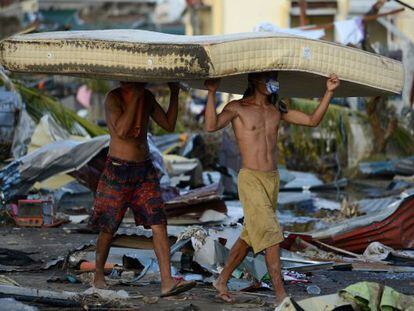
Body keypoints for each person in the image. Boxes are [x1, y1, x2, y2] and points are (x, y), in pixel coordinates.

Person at [204, 72, 340, 308]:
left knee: (250, 236)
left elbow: (312, 121)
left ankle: (221, 280)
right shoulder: (238, 107)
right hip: (251, 179)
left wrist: (329, 91)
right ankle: (280, 293)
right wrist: (211, 92)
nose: (272, 82)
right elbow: (210, 125)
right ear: (254, 80)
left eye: (274, 78)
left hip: (272, 180)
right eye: (268, 78)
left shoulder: (278, 109)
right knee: (271, 234)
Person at [90, 81, 195, 297]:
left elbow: (168, 124)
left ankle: (167, 281)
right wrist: (136, 94)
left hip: (144, 170)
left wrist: (174, 93)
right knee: (109, 226)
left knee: (159, 223)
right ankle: (98, 275)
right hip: (118, 170)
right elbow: (121, 131)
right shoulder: (114, 97)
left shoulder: (147, 96)